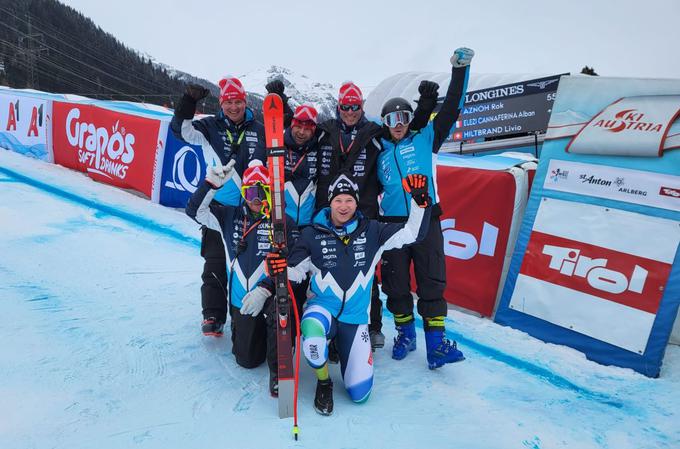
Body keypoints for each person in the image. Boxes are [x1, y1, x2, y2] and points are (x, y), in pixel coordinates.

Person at [258, 172, 432, 415]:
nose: (343, 206)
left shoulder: (373, 231)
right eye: (338, 200)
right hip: (322, 310)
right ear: (330, 202)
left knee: (360, 394)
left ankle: (343, 351)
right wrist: (279, 269)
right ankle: (324, 382)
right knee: (314, 345)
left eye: (349, 200)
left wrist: (420, 201)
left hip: (355, 318)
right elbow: (295, 271)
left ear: (356, 202)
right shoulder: (312, 233)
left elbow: (413, 233)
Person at [376, 47, 474, 369]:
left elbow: (452, 109)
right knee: (396, 284)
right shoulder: (378, 153)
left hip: (427, 218)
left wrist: (460, 70)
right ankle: (405, 334)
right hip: (392, 224)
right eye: (391, 119)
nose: (398, 124)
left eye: (403, 118)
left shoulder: (425, 140)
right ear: (384, 123)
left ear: (410, 120)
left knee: (432, 281)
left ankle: (437, 345)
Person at [185, 161, 299, 396]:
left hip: (269, 294)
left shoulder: (283, 222)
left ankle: (280, 371)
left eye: (261, 191)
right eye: (249, 192)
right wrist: (210, 186)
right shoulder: (229, 215)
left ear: (270, 191)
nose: (255, 198)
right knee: (247, 360)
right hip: (241, 300)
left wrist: (266, 289)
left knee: (282, 308)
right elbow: (194, 211)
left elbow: (295, 262)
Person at [171, 76, 266, 338]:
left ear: (245, 102)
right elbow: (180, 131)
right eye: (228, 102)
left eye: (238, 101)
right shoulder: (209, 127)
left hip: (252, 209)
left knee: (248, 266)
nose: (234, 107)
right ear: (221, 103)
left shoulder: (259, 129)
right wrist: (188, 102)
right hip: (219, 207)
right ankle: (213, 314)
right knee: (214, 261)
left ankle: (244, 314)